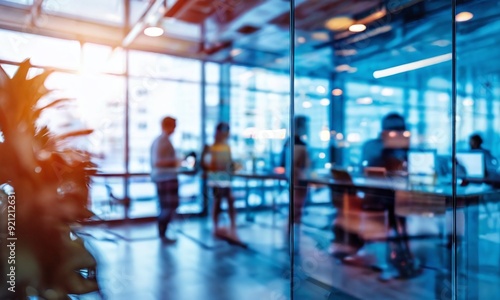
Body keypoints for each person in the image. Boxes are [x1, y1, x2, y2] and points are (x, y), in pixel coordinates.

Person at [201, 122, 238, 239]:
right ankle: (216, 226)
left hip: (224, 179)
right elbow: (205, 164)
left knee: (228, 201)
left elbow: (230, 163)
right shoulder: (211, 147)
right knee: (218, 201)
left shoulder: (225, 147)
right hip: (216, 179)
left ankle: (232, 226)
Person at [150, 116, 180, 242]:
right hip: (166, 179)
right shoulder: (162, 141)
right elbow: (157, 162)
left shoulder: (162, 140)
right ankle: (163, 234)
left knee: (167, 207)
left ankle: (163, 234)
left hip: (165, 178)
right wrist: (177, 161)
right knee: (168, 207)